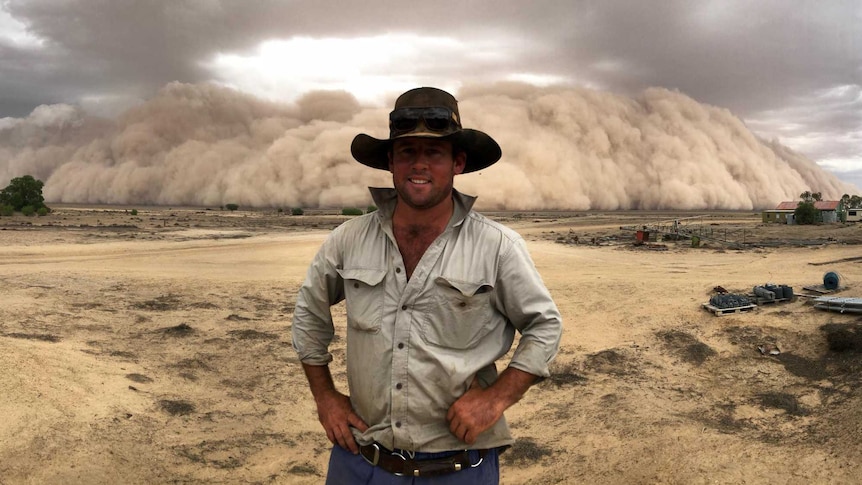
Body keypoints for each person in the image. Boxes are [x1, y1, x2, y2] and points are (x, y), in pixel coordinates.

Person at [292, 87, 562, 484]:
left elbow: (545, 326)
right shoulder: (348, 240)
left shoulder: (497, 247)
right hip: (362, 463)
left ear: (458, 162)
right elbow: (308, 316)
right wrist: (325, 398)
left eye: (434, 152)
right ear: (390, 161)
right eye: (406, 151)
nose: (419, 164)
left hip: (457, 467)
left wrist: (496, 398)